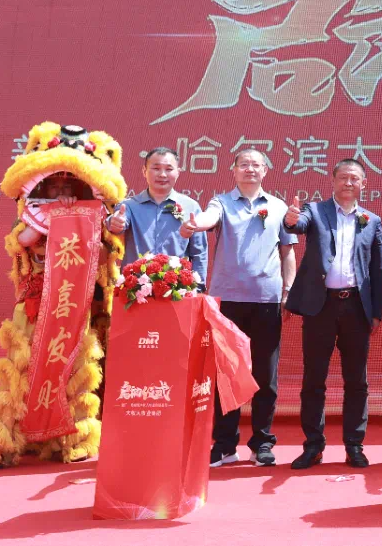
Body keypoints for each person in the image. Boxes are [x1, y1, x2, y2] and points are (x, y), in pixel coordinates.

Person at [181, 149, 297, 467]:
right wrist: (196, 224)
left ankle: (262, 442)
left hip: (267, 300)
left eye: (256, 165)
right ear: (233, 170)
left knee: (265, 375)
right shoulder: (221, 202)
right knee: (227, 373)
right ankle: (224, 444)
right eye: (243, 164)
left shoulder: (278, 207)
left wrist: (288, 290)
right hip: (228, 301)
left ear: (265, 171)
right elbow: (209, 218)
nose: (250, 169)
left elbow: (287, 252)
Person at [283, 158, 382, 470]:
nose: (348, 183)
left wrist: (376, 312)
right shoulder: (315, 211)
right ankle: (313, 445)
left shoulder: (372, 220)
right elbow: (298, 224)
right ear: (333, 180)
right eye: (343, 177)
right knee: (314, 378)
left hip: (356, 307)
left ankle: (354, 445)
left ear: (364, 183)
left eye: (354, 178)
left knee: (356, 381)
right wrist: (290, 220)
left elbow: (378, 270)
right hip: (321, 306)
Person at [106, 147, 207, 286]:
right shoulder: (129, 206)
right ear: (144, 171)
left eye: (169, 169)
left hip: (176, 288)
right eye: (156, 168)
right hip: (134, 289)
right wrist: (115, 222)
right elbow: (117, 223)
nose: (162, 174)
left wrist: (199, 286)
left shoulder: (191, 206)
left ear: (178, 172)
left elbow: (199, 252)